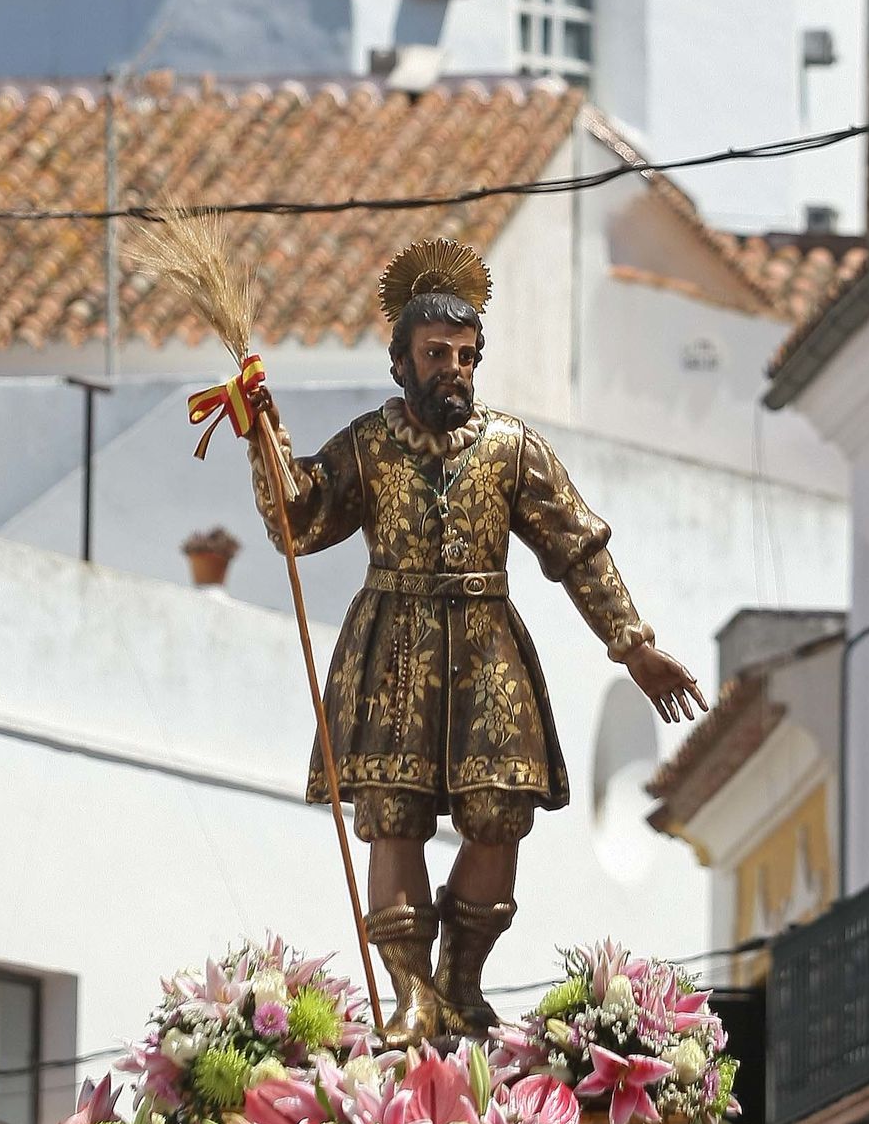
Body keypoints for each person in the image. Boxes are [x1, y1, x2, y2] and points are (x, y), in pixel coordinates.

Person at [249, 236, 704, 1045]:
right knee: (393, 814)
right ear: (400, 362)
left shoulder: (510, 448)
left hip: (488, 648)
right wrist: (267, 445)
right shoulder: (368, 443)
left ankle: (462, 977)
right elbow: (305, 521)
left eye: (466, 355)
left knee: (500, 812)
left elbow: (575, 544)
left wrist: (632, 645)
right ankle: (412, 991)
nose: (453, 369)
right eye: (435, 354)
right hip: (393, 644)